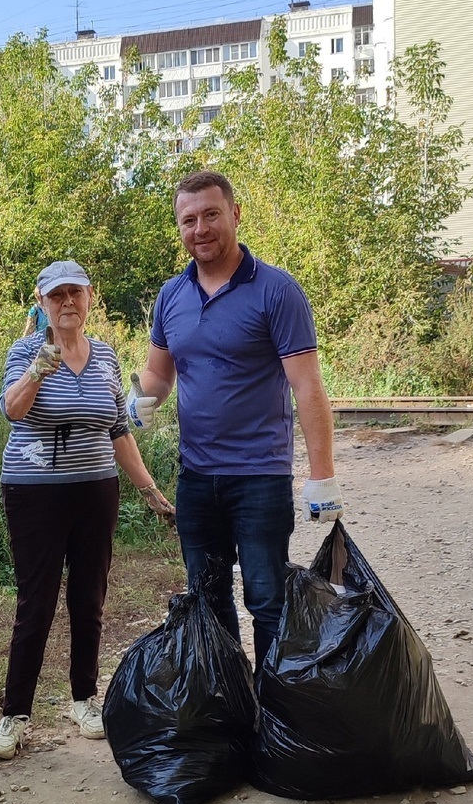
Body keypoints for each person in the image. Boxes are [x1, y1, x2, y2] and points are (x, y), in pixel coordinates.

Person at [127, 170, 345, 667]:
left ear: (235, 215)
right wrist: (142, 398)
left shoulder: (276, 290)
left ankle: (271, 709)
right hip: (197, 477)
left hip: (259, 477)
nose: (200, 228)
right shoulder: (171, 295)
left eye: (210, 215)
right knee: (207, 598)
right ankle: (228, 698)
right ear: (179, 228)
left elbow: (307, 385)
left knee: (267, 599)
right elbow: (160, 375)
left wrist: (322, 475)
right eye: (188, 220)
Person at [0, 260, 175, 760]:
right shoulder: (25, 349)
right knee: (37, 601)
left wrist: (151, 491)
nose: (67, 301)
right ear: (42, 302)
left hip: (96, 489)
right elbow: (11, 410)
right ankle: (14, 714)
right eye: (57, 294)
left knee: (89, 598)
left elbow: (118, 428)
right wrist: (35, 371)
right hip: (34, 491)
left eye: (76, 293)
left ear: (90, 298)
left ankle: (84, 699)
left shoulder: (107, 356)